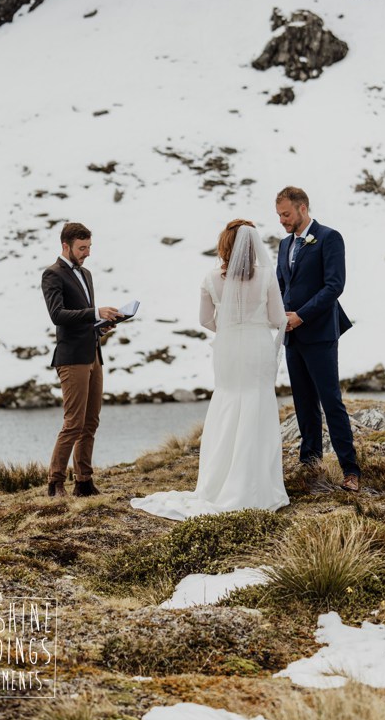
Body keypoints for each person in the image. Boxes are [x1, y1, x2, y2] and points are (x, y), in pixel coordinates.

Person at [131, 220, 289, 520]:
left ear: (224, 246)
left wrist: (229, 327)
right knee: (257, 404)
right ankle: (256, 484)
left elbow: (205, 320)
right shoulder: (267, 276)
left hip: (228, 349)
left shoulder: (210, 278)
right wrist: (254, 324)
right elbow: (276, 317)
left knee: (228, 404)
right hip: (257, 346)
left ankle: (217, 483)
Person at [274, 186, 360, 492]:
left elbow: (334, 285)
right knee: (303, 402)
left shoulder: (329, 238)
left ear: (302, 209)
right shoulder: (284, 245)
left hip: (320, 332)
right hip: (292, 336)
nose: (282, 221)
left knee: (330, 401)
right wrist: (282, 314)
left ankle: (350, 469)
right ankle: (310, 463)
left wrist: (302, 315)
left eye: (286, 214)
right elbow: (281, 285)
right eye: (279, 215)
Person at [41, 222, 120, 498]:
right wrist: (95, 311)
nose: (86, 253)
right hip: (71, 357)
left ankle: (84, 482)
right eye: (81, 248)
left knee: (90, 422)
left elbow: (84, 317)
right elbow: (58, 315)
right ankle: (55, 483)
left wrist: (100, 324)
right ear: (66, 246)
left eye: (88, 247)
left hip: (93, 354)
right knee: (73, 423)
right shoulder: (52, 275)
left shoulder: (86, 274)